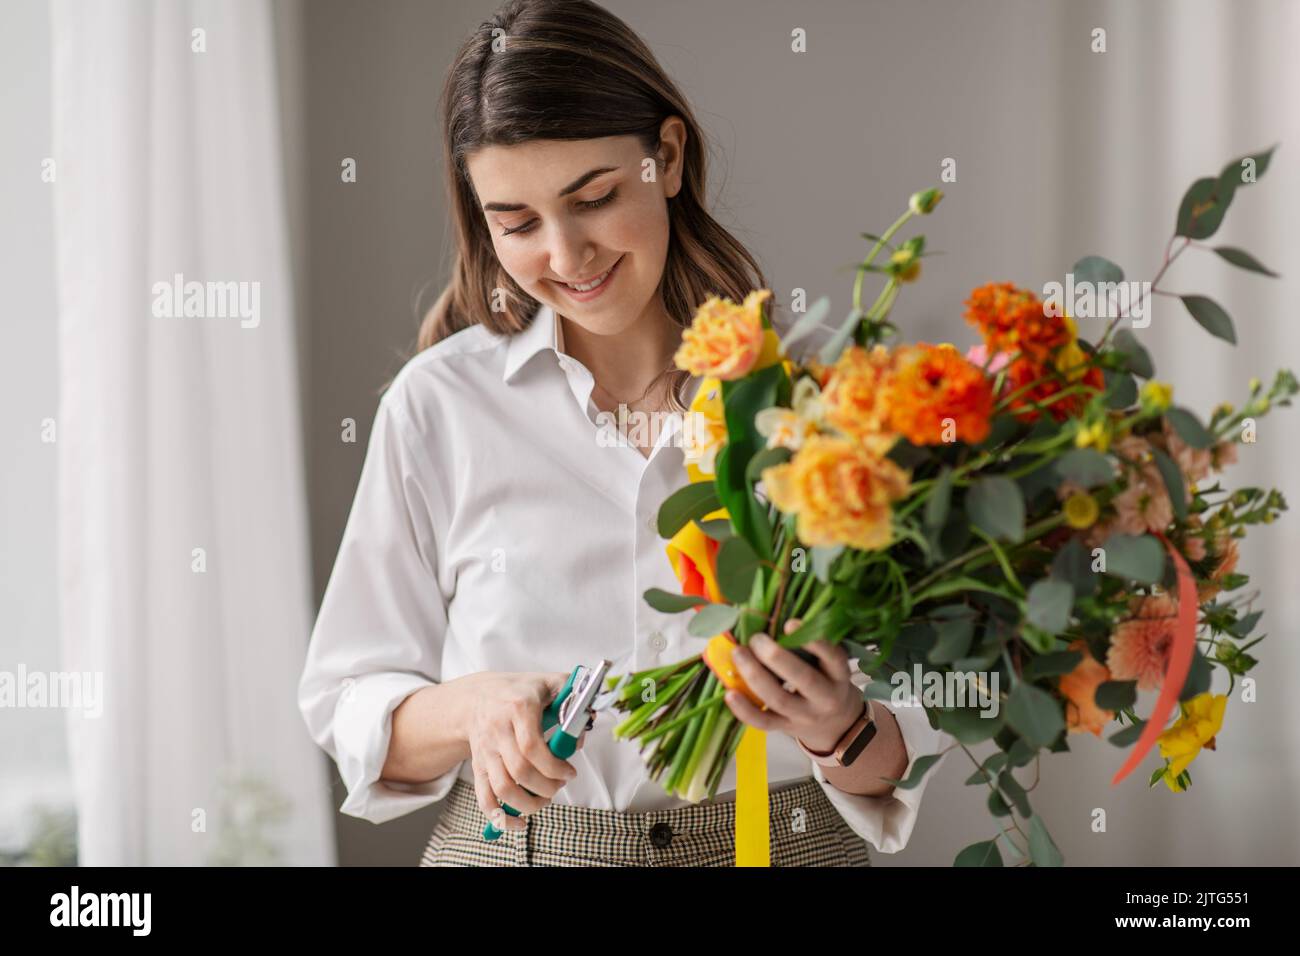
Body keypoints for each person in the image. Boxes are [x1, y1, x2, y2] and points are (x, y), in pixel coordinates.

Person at [298, 0, 951, 867]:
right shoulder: (439, 405)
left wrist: (841, 728)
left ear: (668, 158)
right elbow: (347, 699)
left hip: (781, 847)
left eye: (596, 197)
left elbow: (927, 715)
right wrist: (473, 709)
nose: (566, 256)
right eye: (518, 223)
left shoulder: (829, 395)